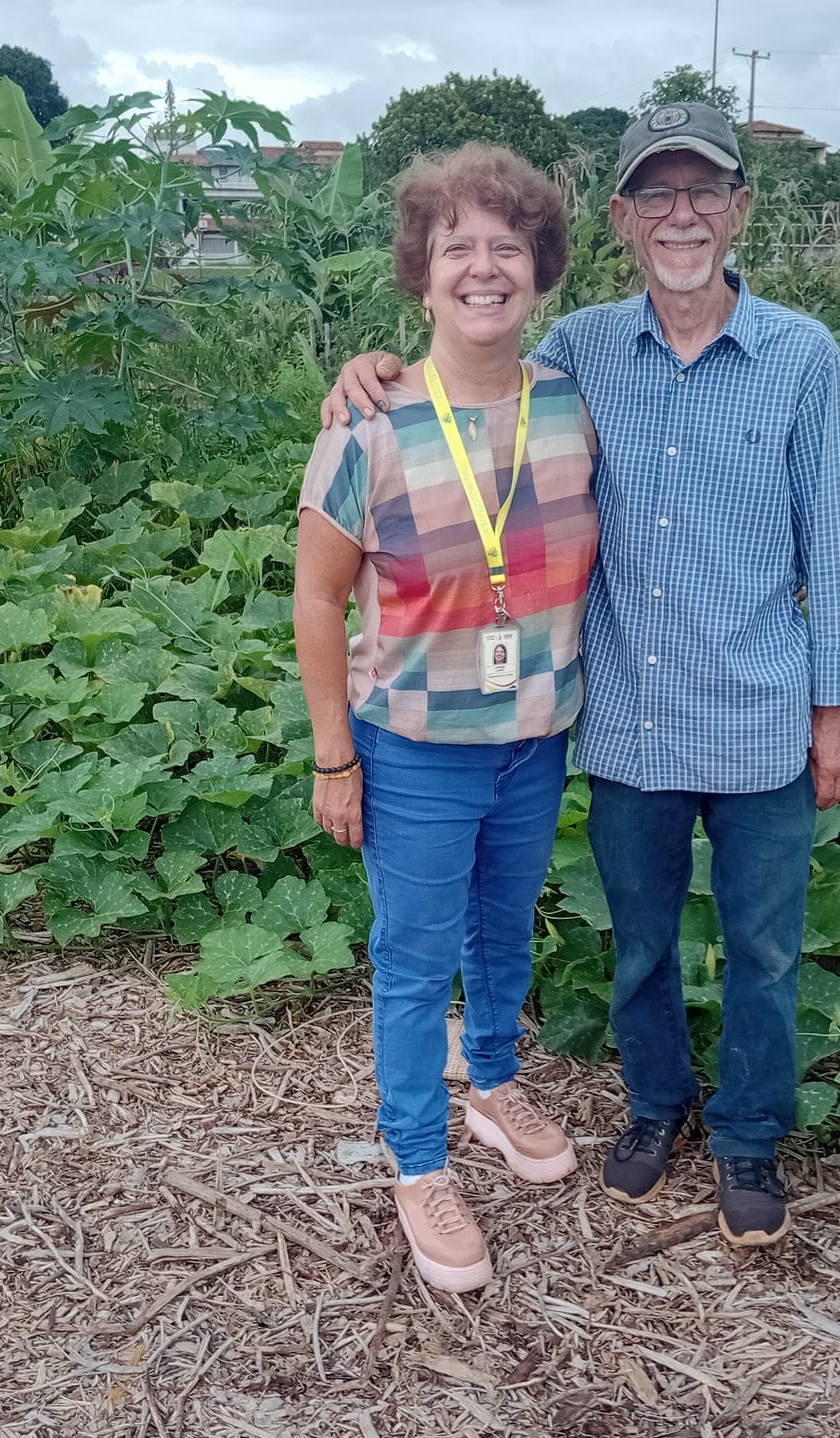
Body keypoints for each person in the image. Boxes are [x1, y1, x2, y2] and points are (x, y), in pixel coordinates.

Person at [325, 105, 840, 1248]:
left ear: (738, 209)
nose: (682, 215)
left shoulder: (799, 356)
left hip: (761, 715)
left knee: (766, 946)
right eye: (657, 196)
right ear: (625, 219)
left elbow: (834, 542)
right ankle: (652, 1109)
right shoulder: (577, 350)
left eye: (705, 192)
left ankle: (745, 1139)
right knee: (640, 941)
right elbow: (468, 366)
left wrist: (835, 712)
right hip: (626, 720)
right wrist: (368, 368)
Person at [293, 143, 601, 1293]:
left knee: (504, 929)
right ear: (420, 273)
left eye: (506, 248)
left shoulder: (569, 403)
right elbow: (316, 598)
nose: (482, 269)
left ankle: (493, 1081)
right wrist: (335, 758)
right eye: (455, 247)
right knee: (415, 962)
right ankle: (416, 1156)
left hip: (533, 734)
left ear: (541, 271)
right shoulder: (365, 426)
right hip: (414, 747)